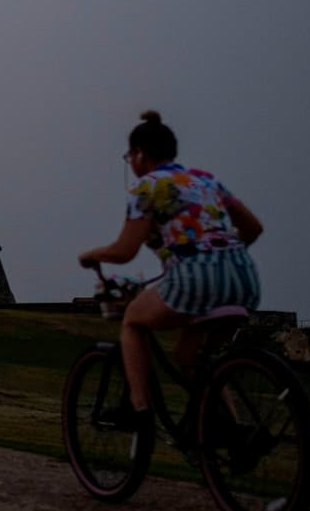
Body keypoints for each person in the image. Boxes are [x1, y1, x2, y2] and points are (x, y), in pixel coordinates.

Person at [78, 110, 264, 428]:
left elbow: (124, 251)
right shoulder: (206, 179)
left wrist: (90, 255)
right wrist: (219, 256)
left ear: (139, 154)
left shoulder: (147, 187)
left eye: (129, 156)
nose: (130, 163)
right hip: (243, 277)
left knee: (133, 321)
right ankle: (233, 431)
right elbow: (253, 228)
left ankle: (138, 411)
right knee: (190, 359)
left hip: (194, 277)